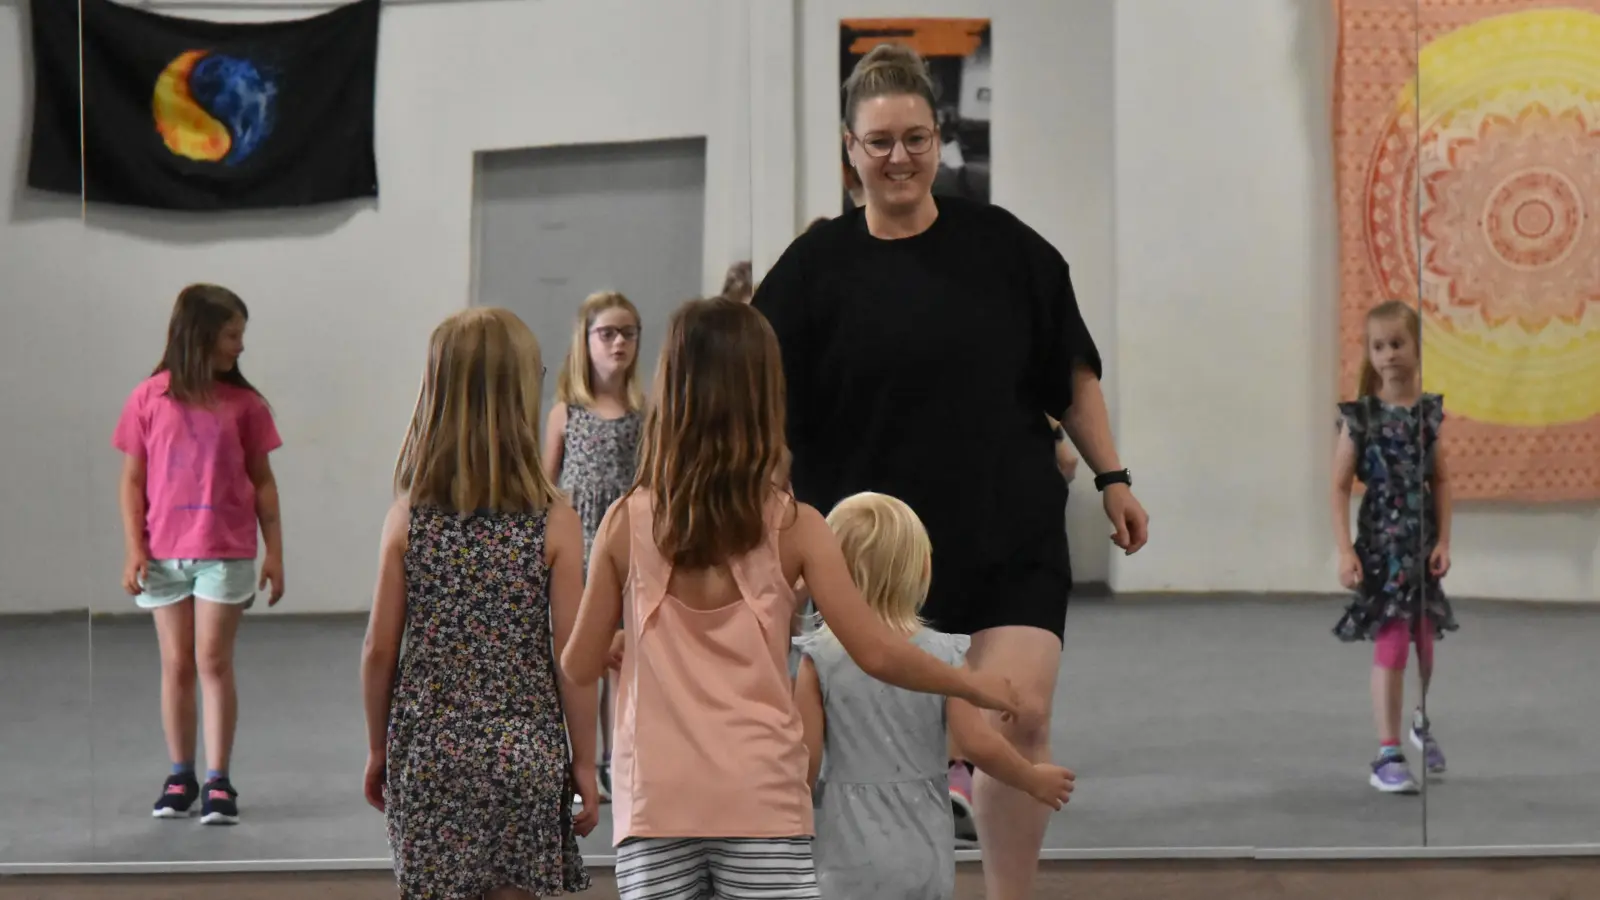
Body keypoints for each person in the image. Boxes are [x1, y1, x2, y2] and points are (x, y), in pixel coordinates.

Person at [752, 42, 1148, 900]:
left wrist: (1113, 476)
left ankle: (1010, 891)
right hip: (871, 560)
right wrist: (764, 520)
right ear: (849, 151)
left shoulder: (1008, 251)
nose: (899, 157)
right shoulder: (810, 272)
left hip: (1005, 530)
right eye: (880, 141)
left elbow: (1071, 373)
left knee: (1019, 714)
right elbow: (760, 410)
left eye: (916, 138)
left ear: (940, 140)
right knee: (879, 736)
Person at [560, 298, 1030, 900]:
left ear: (671, 390)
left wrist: (617, 639)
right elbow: (878, 652)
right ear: (762, 394)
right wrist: (971, 684)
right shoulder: (796, 526)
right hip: (761, 797)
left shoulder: (626, 522)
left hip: (655, 798)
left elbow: (576, 665)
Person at [361, 308, 595, 900]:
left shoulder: (408, 521)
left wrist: (376, 746)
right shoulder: (555, 523)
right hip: (526, 748)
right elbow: (574, 659)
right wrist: (586, 763)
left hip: (430, 750)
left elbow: (378, 651)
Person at [794, 492, 1075, 900]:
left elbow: (805, 759)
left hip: (843, 836)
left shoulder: (817, 660)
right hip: (920, 833)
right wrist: (1031, 778)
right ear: (924, 569)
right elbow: (978, 744)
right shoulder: (943, 659)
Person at [113, 283, 284, 826]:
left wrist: (275, 552)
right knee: (176, 664)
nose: (240, 346)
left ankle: (219, 781)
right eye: (233, 334)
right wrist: (135, 548)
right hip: (163, 556)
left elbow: (263, 483)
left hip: (224, 552)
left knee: (212, 660)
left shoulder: (246, 406)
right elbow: (132, 480)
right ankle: (180, 774)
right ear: (202, 334)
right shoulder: (148, 398)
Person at [1332, 300, 1458, 795]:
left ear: (1416, 348)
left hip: (1421, 549)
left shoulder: (1427, 415)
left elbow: (1442, 480)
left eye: (1397, 344)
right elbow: (1339, 485)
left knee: (1424, 643)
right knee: (1392, 646)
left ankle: (1419, 720)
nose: (1388, 355)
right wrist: (1345, 551)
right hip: (1382, 553)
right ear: (1370, 353)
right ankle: (1387, 752)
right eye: (1379, 346)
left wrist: (1445, 539)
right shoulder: (1360, 418)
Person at [542, 290, 644, 801]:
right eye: (607, 333)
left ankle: (615, 761)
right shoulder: (567, 412)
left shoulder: (645, 413)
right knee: (582, 655)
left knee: (622, 658)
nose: (619, 342)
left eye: (628, 332)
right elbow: (546, 485)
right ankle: (580, 760)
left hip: (625, 550)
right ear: (586, 341)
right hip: (577, 552)